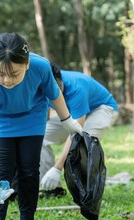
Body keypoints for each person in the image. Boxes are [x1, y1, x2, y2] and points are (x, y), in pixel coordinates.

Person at [0, 32, 83, 220]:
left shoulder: (40, 67)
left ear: (27, 63)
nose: (7, 80)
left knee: (30, 173)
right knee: (1, 177)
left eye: (14, 73)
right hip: (2, 125)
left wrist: (68, 121)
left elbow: (54, 95)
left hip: (32, 118)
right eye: (0, 73)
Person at [39, 62, 118, 192]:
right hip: (71, 112)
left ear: (61, 80)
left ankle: (89, 191)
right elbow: (44, 112)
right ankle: (51, 187)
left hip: (101, 108)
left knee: (84, 142)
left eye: (58, 87)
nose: (54, 93)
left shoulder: (76, 88)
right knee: (39, 137)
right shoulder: (41, 86)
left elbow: (75, 134)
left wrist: (57, 168)